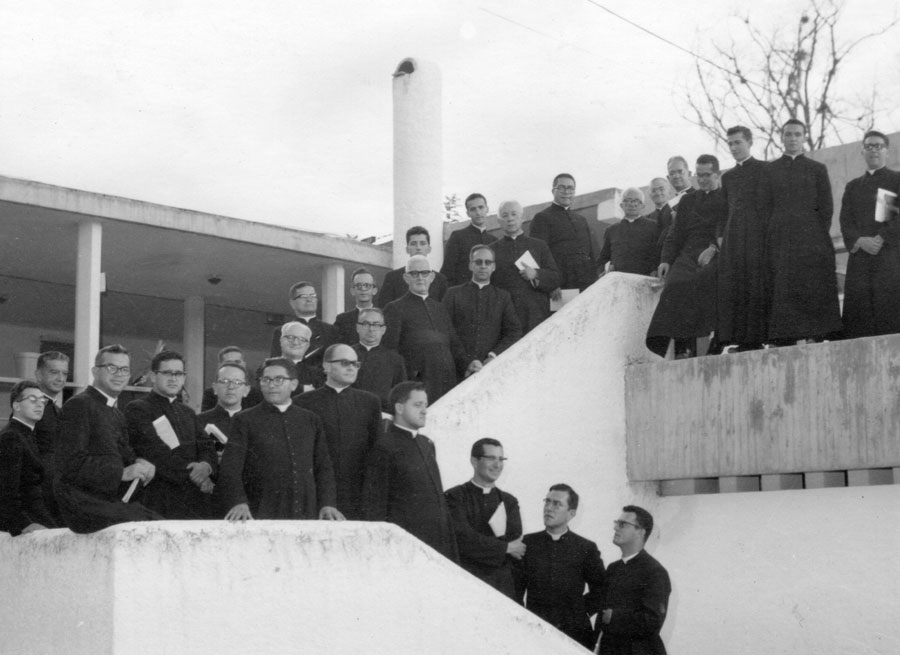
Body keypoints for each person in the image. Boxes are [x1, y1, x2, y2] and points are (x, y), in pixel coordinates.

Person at [216, 357, 342, 521]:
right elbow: (230, 468)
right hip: (259, 508)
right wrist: (238, 502)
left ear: (294, 384)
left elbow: (323, 467)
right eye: (266, 380)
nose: (271, 385)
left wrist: (327, 503)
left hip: (305, 508)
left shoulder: (311, 420)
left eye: (279, 379)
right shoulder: (244, 420)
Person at [54, 345, 160, 533]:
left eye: (124, 369)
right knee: (154, 527)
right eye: (112, 368)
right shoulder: (78, 405)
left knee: (162, 521)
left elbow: (123, 457)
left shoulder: (117, 414)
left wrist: (141, 464)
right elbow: (70, 463)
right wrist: (121, 473)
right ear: (95, 371)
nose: (119, 374)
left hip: (108, 502)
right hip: (83, 504)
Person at [362, 381, 458, 562]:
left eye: (425, 405)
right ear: (399, 408)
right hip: (407, 546)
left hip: (437, 540)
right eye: (417, 405)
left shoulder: (427, 444)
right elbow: (376, 505)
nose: (424, 411)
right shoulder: (384, 447)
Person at [765, 119, 842, 344]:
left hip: (811, 241)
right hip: (781, 242)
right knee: (784, 289)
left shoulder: (817, 169)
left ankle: (816, 335)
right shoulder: (770, 170)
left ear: (804, 137)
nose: (793, 139)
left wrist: (814, 234)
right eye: (788, 134)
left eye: (797, 134)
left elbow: (826, 207)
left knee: (813, 287)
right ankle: (786, 338)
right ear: (782, 137)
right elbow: (766, 207)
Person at [646, 154, 726, 358]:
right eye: (700, 175)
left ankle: (714, 342)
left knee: (704, 281)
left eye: (707, 175)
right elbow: (675, 234)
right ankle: (682, 346)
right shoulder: (688, 200)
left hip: (716, 250)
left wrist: (714, 248)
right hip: (689, 252)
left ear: (717, 174)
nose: (703, 179)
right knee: (675, 283)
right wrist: (665, 260)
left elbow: (728, 227)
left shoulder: (726, 197)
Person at [124, 351, 217, 519]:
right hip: (159, 500)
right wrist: (196, 475)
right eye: (167, 373)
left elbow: (206, 446)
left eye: (179, 374)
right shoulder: (138, 408)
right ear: (153, 376)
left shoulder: (187, 412)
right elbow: (154, 452)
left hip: (195, 501)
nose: (174, 379)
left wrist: (205, 466)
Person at [294, 344, 382, 520]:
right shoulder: (302, 402)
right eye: (344, 363)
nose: (351, 368)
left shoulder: (370, 402)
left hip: (358, 492)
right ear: (326, 366)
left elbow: (376, 450)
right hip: (316, 492)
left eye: (355, 364)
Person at [513, 483, 605, 650]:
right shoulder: (528, 543)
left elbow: (601, 589)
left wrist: (581, 611)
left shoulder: (586, 548)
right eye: (547, 502)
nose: (549, 508)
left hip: (575, 634)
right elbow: (516, 588)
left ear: (571, 513)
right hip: (535, 631)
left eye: (557, 504)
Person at [444, 438, 524, 598]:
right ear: (474, 461)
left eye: (501, 459)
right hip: (466, 582)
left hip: (501, 586)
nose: (497, 465)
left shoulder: (509, 501)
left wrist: (484, 547)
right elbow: (462, 539)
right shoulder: (454, 496)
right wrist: (504, 548)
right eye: (491, 458)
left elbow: (515, 542)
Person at [839, 130, 900, 339]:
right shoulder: (853, 186)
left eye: (878, 146)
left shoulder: (895, 180)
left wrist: (881, 238)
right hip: (861, 258)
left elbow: (894, 217)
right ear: (862, 152)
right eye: (869, 146)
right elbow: (845, 221)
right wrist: (859, 240)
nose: (874, 150)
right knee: (860, 317)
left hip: (889, 256)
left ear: (887, 151)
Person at [383, 255, 469, 402]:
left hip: (447, 381)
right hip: (417, 383)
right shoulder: (395, 308)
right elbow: (391, 351)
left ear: (432, 277)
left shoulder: (440, 308)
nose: (420, 278)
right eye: (414, 273)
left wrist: (468, 365)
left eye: (424, 273)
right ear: (406, 278)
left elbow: (454, 345)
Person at [716, 126, 770, 351]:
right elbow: (723, 211)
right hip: (734, 241)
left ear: (750, 142)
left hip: (758, 238)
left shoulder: (765, 169)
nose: (734, 147)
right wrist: (720, 236)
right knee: (738, 288)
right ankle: (743, 340)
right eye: (730, 144)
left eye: (738, 142)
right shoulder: (727, 177)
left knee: (757, 286)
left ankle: (760, 338)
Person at [596, 506, 672, 655]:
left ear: (640, 532)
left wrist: (614, 617)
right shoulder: (613, 568)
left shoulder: (655, 572)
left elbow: (652, 621)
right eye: (616, 523)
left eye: (622, 524)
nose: (615, 528)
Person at [442, 244, 522, 376]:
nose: (483, 266)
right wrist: (465, 361)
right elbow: (444, 330)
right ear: (470, 265)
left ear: (493, 266)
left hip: (489, 368)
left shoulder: (503, 297)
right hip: (457, 367)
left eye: (488, 262)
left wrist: (494, 355)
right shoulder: (452, 294)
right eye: (478, 262)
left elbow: (514, 331)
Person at [492, 200, 560, 333]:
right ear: (499, 221)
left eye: (514, 214)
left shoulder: (539, 245)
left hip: (536, 314)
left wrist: (536, 274)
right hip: (506, 317)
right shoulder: (492, 250)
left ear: (522, 217)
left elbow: (556, 277)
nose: (510, 219)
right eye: (505, 215)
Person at [0, 381, 58, 535]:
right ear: (16, 406)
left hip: (37, 514)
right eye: (32, 399)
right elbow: (6, 490)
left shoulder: (27, 434)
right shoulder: (11, 437)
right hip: (25, 522)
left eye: (42, 400)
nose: (39, 404)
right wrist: (23, 524)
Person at [529, 173, 597, 295]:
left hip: (586, 284)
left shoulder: (581, 220)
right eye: (561, 187)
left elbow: (591, 253)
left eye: (570, 188)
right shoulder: (542, 217)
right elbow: (538, 255)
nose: (566, 192)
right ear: (553, 191)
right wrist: (550, 285)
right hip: (560, 286)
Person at [32, 350, 70, 524]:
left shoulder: (59, 410)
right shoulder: (31, 409)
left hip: (58, 493)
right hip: (39, 497)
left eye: (64, 373)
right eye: (54, 372)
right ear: (39, 375)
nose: (60, 378)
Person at [269, 282, 339, 369]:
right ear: (292, 303)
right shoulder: (281, 331)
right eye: (303, 296)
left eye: (312, 296)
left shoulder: (332, 330)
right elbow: (275, 363)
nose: (309, 299)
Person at [353, 307, 408, 414]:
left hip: (382, 415)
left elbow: (400, 394)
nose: (371, 329)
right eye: (366, 324)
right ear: (357, 328)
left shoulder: (395, 359)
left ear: (383, 330)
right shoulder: (346, 355)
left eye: (376, 325)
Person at [378, 226, 450, 307]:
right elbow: (384, 308)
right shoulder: (392, 278)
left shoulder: (440, 280)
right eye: (413, 244)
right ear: (407, 249)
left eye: (422, 243)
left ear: (429, 248)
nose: (418, 248)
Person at [598, 188, 661, 276]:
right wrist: (604, 271)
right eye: (628, 200)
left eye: (637, 201)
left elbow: (658, 254)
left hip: (645, 277)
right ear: (621, 205)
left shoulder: (653, 227)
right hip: (619, 278)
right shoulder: (611, 230)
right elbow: (603, 258)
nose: (632, 204)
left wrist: (654, 270)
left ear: (643, 205)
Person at [440, 193, 498, 286]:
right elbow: (447, 271)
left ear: (487, 209)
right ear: (468, 213)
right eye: (473, 209)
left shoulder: (494, 240)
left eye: (481, 207)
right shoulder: (457, 237)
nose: (478, 212)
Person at [197, 361, 250, 462]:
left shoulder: (254, 422)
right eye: (225, 381)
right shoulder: (198, 421)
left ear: (246, 390)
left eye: (237, 382)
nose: (231, 387)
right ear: (215, 388)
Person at [654, 158, 695, 258]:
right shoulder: (665, 209)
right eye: (672, 173)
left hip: (691, 257)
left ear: (689, 173)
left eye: (680, 172)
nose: (676, 176)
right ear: (668, 178)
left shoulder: (699, 198)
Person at [200, 346, 262, 411]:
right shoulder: (210, 394)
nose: (234, 365)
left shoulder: (256, 395)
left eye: (237, 362)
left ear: (244, 365)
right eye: (228, 362)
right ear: (220, 365)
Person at [274, 321, 324, 392]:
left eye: (302, 339)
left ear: (307, 345)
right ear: (281, 340)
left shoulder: (317, 374)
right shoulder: (266, 367)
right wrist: (302, 389)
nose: (295, 342)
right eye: (290, 337)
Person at [334, 267, 379, 345]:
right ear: (352, 291)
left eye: (367, 285)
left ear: (374, 290)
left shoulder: (384, 317)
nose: (363, 289)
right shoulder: (342, 320)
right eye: (358, 285)